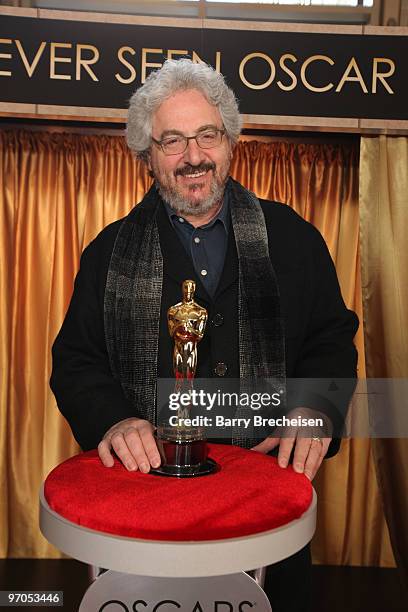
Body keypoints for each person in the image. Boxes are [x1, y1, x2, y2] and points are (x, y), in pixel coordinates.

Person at [50, 58, 358, 611]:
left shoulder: (294, 238)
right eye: (172, 141)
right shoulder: (107, 252)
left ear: (230, 140)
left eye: (206, 135)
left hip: (266, 511)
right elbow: (76, 361)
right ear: (148, 155)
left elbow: (332, 339)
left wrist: (315, 409)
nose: (193, 156)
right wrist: (114, 420)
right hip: (143, 520)